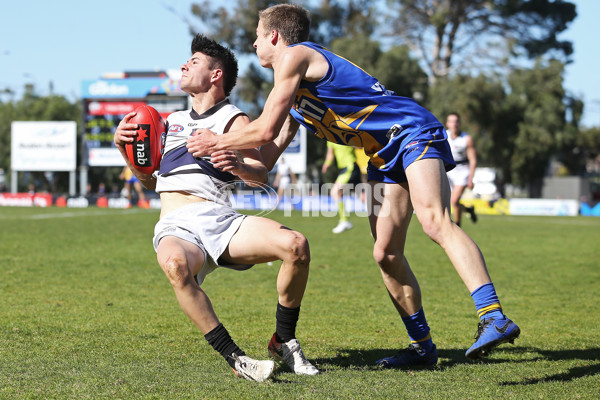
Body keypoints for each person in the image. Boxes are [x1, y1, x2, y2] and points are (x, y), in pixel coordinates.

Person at [186, 4, 520, 367]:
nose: (253, 44)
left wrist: (216, 142)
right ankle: (423, 348)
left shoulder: (295, 56)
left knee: (434, 222)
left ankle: (493, 316)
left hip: (409, 132)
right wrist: (235, 166)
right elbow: (265, 162)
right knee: (385, 254)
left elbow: (264, 127)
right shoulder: (297, 98)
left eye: (256, 36)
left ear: (274, 36)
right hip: (381, 154)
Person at [114, 34, 318, 382]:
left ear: (215, 75)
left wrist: (238, 166)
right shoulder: (169, 121)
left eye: (193, 62)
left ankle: (283, 339)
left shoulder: (234, 119)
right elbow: (150, 182)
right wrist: (125, 151)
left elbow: (259, 176)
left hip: (221, 220)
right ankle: (237, 359)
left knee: (296, 245)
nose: (184, 65)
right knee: (176, 267)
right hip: (176, 224)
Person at [446, 113, 477, 227]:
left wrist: (471, 178)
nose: (454, 124)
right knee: (453, 202)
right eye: (451, 121)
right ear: (447, 123)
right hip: (449, 170)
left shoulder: (466, 139)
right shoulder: (444, 135)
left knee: (454, 201)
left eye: (456, 121)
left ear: (459, 123)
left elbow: (473, 160)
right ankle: (468, 210)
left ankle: (457, 227)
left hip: (463, 170)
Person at [321, 142, 361, 233]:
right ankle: (379, 222)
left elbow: (359, 145)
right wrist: (327, 164)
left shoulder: (344, 131)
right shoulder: (329, 137)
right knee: (363, 197)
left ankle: (345, 221)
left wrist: (354, 143)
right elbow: (330, 153)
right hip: (346, 168)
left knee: (335, 192)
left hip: (350, 166)